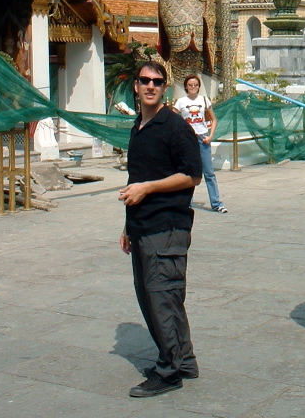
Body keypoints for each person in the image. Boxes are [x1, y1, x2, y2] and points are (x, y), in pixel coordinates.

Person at [119, 61, 202, 398]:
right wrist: (127, 223)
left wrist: (148, 189)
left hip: (167, 225)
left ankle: (168, 371)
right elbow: (135, 178)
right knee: (154, 296)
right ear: (136, 87)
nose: (150, 86)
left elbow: (192, 175)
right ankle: (184, 360)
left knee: (161, 297)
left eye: (157, 81)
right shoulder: (139, 126)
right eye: (144, 81)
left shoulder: (175, 127)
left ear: (164, 87)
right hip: (141, 224)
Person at [174, 74, 227, 213]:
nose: (193, 87)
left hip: (202, 138)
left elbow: (214, 120)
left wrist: (210, 137)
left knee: (209, 172)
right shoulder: (180, 102)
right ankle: (186, 203)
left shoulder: (204, 100)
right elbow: (172, 119)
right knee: (188, 172)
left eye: (196, 85)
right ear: (186, 86)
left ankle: (216, 203)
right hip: (187, 139)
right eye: (190, 85)